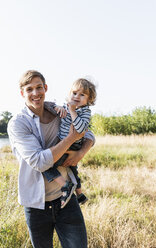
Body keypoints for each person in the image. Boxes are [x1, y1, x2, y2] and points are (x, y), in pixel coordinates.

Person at [7, 70, 95, 248]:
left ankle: (73, 189)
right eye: (29, 89)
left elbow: (88, 133)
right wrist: (71, 139)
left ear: (45, 88)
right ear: (22, 93)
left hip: (66, 200)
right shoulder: (18, 123)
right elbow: (39, 162)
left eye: (39, 87)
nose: (35, 93)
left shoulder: (58, 111)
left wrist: (81, 152)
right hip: (37, 205)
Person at [43, 78, 97, 208]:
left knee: (46, 166)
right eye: (74, 93)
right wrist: (60, 108)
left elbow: (79, 130)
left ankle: (66, 186)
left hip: (73, 144)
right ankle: (80, 194)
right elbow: (60, 111)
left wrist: (72, 111)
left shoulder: (85, 112)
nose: (77, 97)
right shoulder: (67, 106)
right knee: (72, 169)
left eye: (82, 94)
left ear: (89, 100)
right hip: (65, 142)